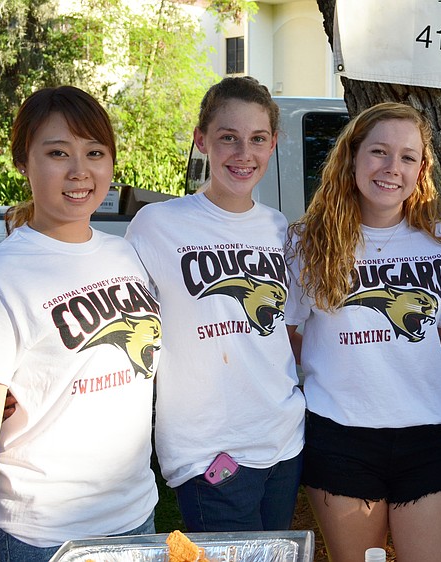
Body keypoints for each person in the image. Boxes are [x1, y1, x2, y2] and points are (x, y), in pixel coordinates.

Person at [0, 86, 161, 562]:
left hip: (136, 515)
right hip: (44, 534)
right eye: (58, 152)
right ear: (23, 161)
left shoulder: (126, 254)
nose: (80, 171)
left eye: (94, 153)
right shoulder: (0, 277)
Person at [285, 102, 441, 562]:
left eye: (408, 157)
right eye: (379, 152)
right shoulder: (307, 244)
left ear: (421, 169)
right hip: (342, 436)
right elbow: (289, 337)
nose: (392, 168)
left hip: (427, 435)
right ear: (351, 157)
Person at [125, 76, 305, 532]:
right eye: (229, 138)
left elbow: (287, 328)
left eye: (257, 139)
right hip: (208, 448)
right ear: (201, 140)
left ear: (273, 144)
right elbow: (122, 313)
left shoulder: (279, 227)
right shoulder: (158, 225)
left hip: (281, 438)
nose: (244, 153)